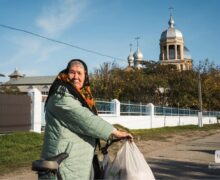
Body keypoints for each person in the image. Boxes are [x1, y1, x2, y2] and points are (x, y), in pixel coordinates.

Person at [40, 59, 133, 180]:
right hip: (64, 159)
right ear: (66, 74)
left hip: (74, 157)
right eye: (72, 72)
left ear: (85, 75)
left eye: (79, 73)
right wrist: (114, 132)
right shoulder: (60, 95)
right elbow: (85, 119)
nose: (76, 77)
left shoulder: (79, 95)